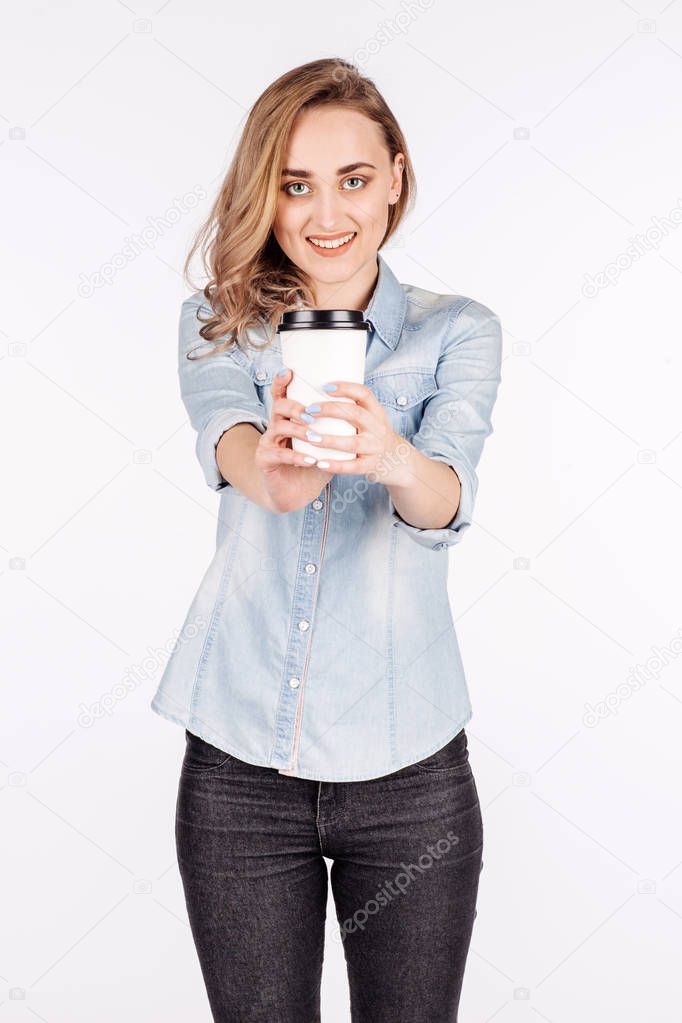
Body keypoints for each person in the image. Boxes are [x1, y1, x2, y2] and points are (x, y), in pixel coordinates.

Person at [151, 56, 503, 1023]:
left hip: (412, 773)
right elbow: (229, 445)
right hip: (238, 775)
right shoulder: (216, 323)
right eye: (295, 185)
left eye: (352, 178)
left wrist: (391, 458)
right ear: (268, 193)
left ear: (395, 174)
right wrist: (274, 472)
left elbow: (445, 498)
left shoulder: (457, 332)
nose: (324, 213)